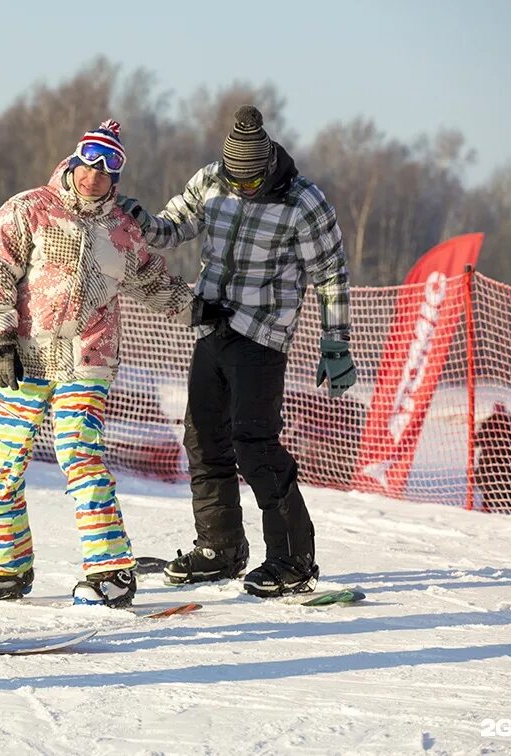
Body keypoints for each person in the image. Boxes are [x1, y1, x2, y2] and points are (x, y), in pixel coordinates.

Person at [119, 105, 355, 597]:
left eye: (251, 183)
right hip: (212, 327)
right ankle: (220, 548)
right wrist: (140, 219)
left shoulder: (303, 202)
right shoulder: (211, 181)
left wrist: (335, 340)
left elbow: (330, 273)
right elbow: (172, 229)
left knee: (256, 445)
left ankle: (293, 559)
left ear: (267, 167)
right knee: (204, 440)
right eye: (235, 181)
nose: (242, 189)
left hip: (262, 336)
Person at [0, 119, 193, 607]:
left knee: (79, 454)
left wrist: (200, 309)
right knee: (5, 461)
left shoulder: (123, 232)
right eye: (89, 161)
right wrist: (0, 338)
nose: (95, 174)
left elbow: (153, 282)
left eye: (108, 167)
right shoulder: (29, 209)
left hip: (88, 358)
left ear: (118, 177)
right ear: (74, 161)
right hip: (26, 355)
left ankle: (110, 572)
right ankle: (4, 567)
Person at [472, 402, 511, 515]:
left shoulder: (491, 422)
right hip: (507, 463)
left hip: (491, 462)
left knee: (488, 482)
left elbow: (476, 442)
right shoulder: (509, 422)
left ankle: (490, 506)